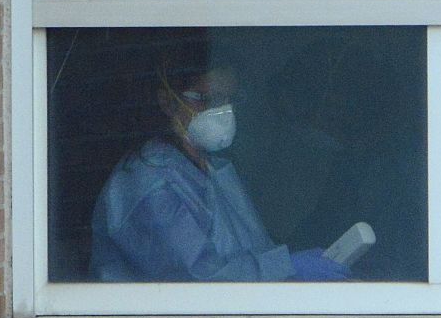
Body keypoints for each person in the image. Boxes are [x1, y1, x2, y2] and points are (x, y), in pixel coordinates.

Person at [89, 60, 350, 282]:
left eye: (228, 99)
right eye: (207, 99)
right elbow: (198, 281)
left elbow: (247, 248)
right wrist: (286, 267)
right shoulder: (149, 185)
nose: (222, 111)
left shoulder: (212, 167)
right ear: (168, 102)